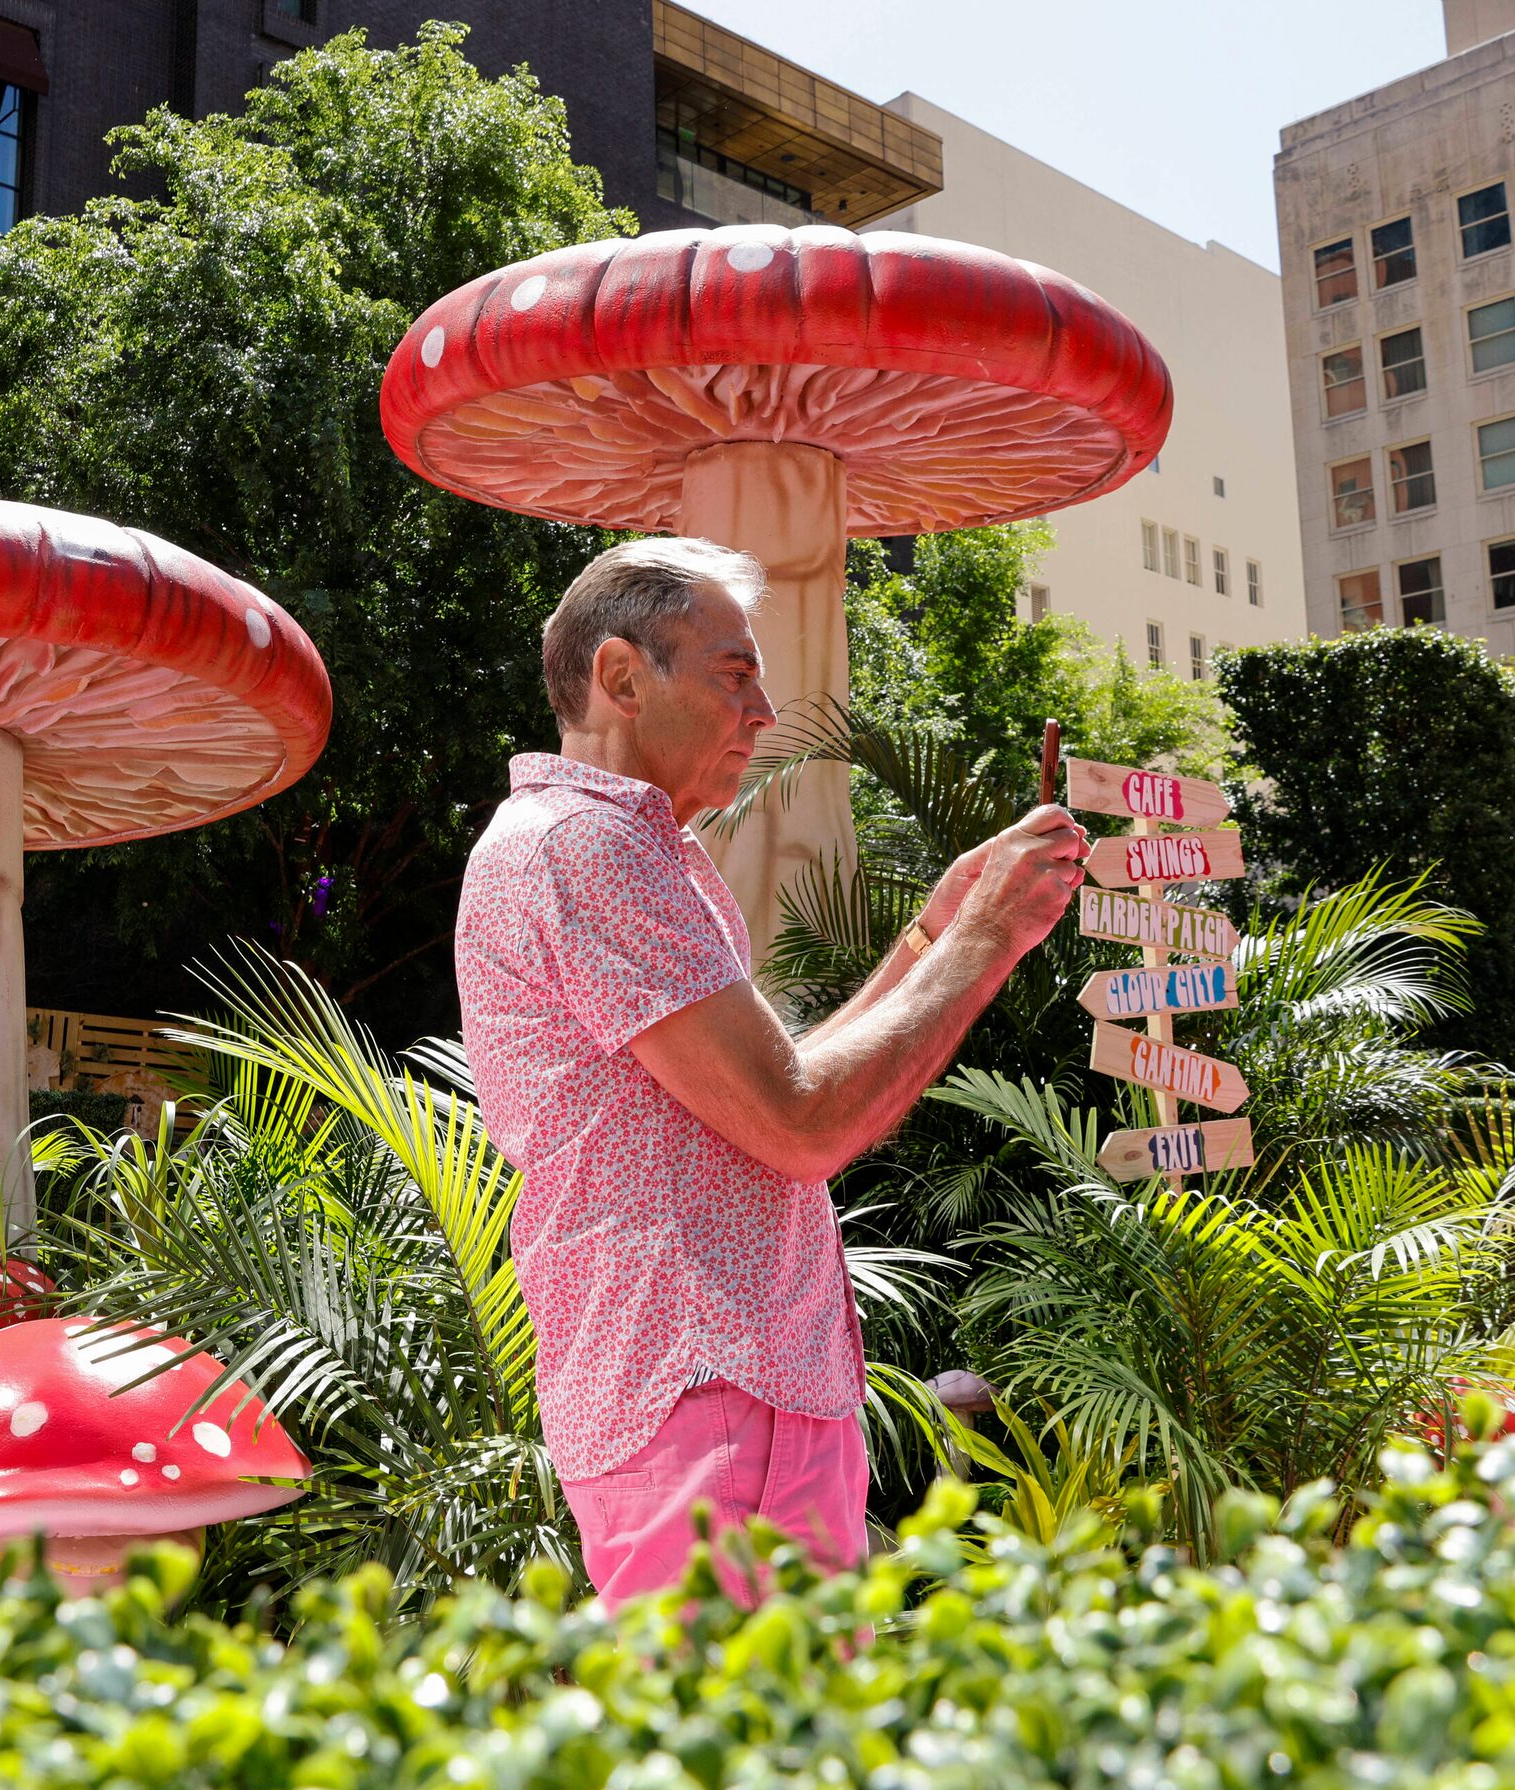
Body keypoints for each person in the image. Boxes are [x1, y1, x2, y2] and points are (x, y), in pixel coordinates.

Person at [452, 538, 1090, 1609]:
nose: (763, 710)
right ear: (618, 676)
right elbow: (800, 1125)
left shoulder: (615, 846)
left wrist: (934, 934)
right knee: (749, 1751)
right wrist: (984, 939)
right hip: (705, 1387)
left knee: (778, 1747)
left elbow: (785, 1089)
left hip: (729, 1389)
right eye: (733, 674)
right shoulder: (583, 846)